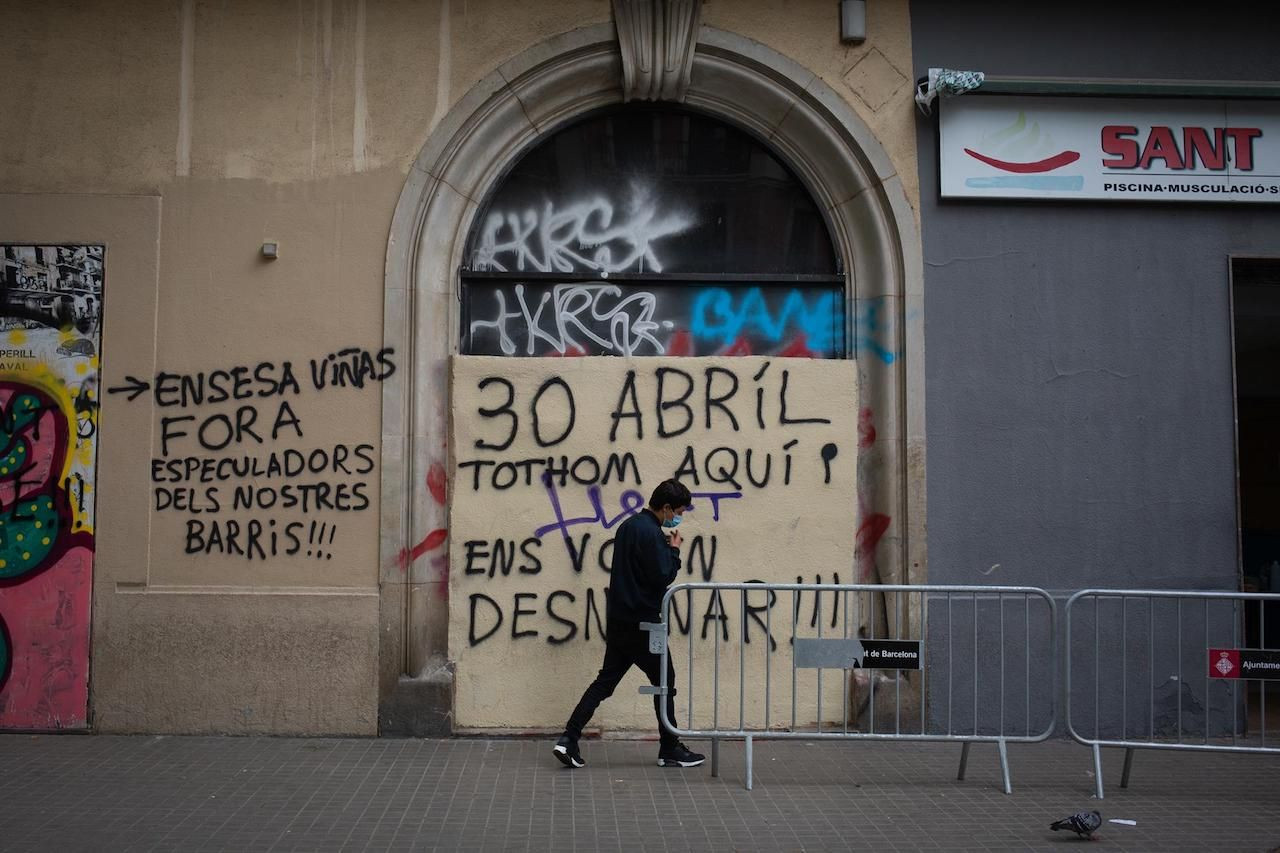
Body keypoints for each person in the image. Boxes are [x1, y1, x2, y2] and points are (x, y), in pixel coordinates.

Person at [553, 479, 706, 769]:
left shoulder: (628, 526)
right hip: (644, 624)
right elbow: (663, 575)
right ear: (666, 507)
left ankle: (568, 739)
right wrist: (674, 550)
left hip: (620, 621)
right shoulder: (652, 534)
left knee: (604, 683)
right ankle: (670, 747)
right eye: (680, 511)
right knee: (665, 682)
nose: (680, 518)